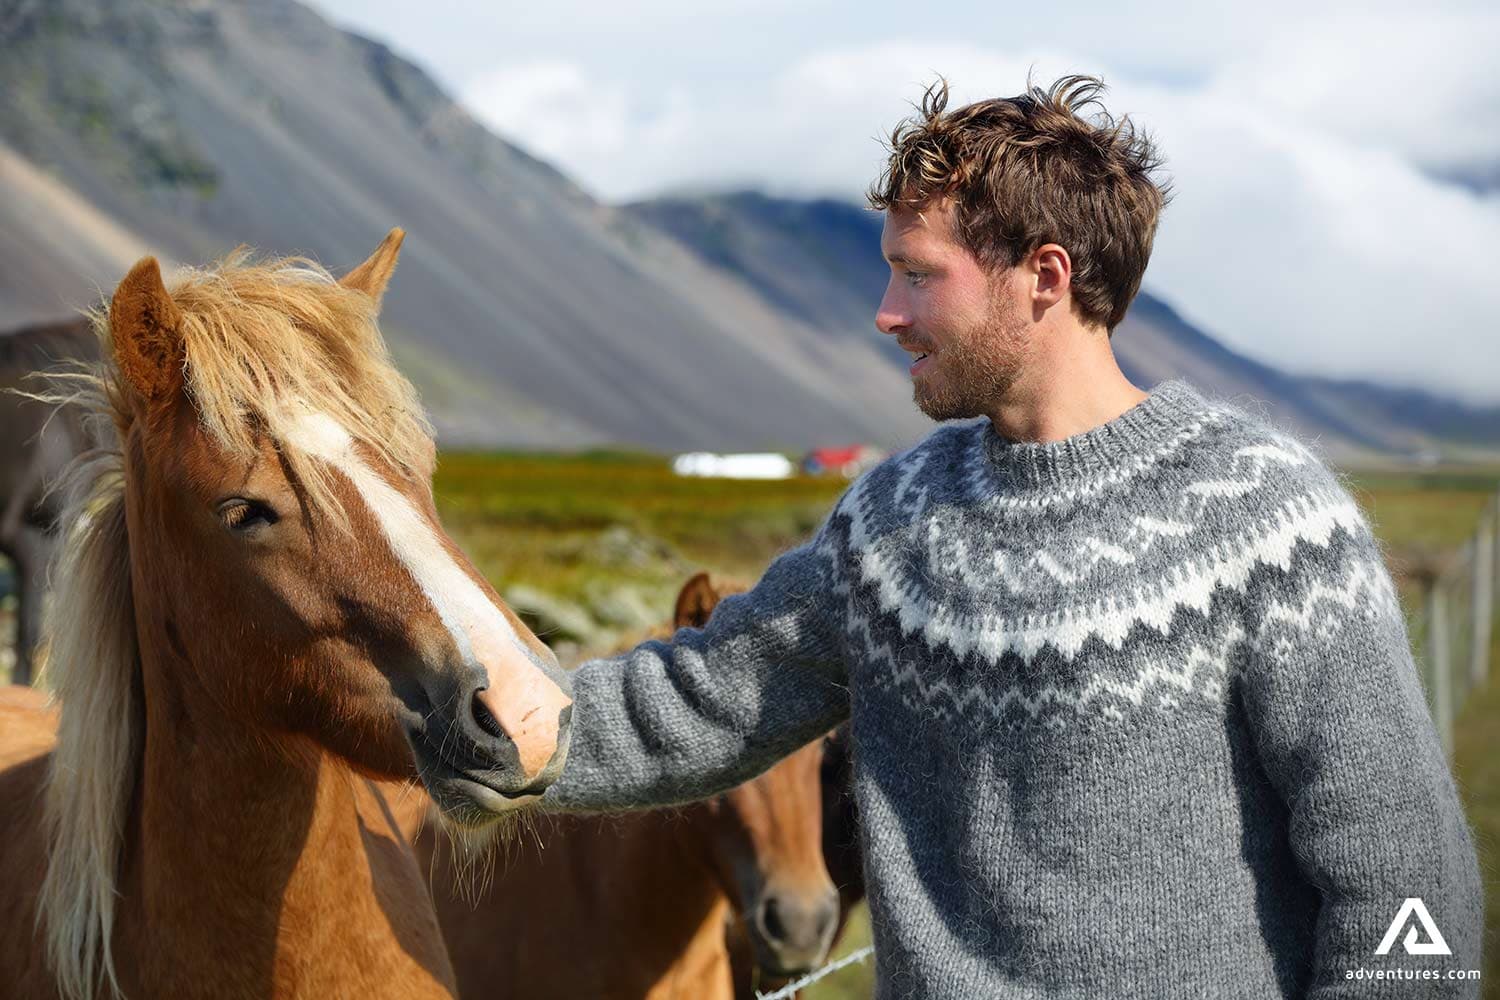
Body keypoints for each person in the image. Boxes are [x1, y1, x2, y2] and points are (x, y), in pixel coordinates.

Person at [538, 73, 1484, 998]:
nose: (887, 313)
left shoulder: (1272, 521)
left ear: (1044, 276)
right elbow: (699, 698)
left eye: (918, 275)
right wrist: (466, 714)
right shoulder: (886, 526)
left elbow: (1407, 881)